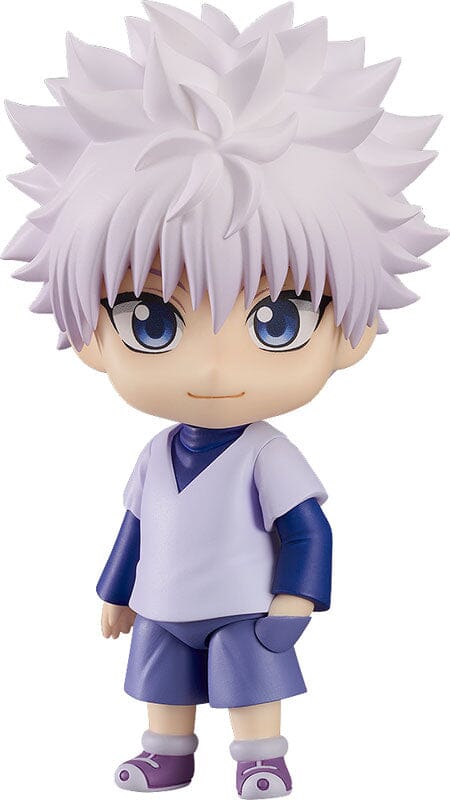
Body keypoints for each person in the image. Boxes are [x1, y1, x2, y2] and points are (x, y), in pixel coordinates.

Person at [2, 2, 446, 797]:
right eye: (152, 318)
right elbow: (135, 526)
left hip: (246, 605)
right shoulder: (154, 454)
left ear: (353, 336)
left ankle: (260, 759)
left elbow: (305, 528)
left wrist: (298, 597)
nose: (213, 366)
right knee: (162, 683)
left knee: (250, 685)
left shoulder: (268, 453)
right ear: (90, 338)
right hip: (162, 603)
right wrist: (115, 592)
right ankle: (167, 754)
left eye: (277, 320)